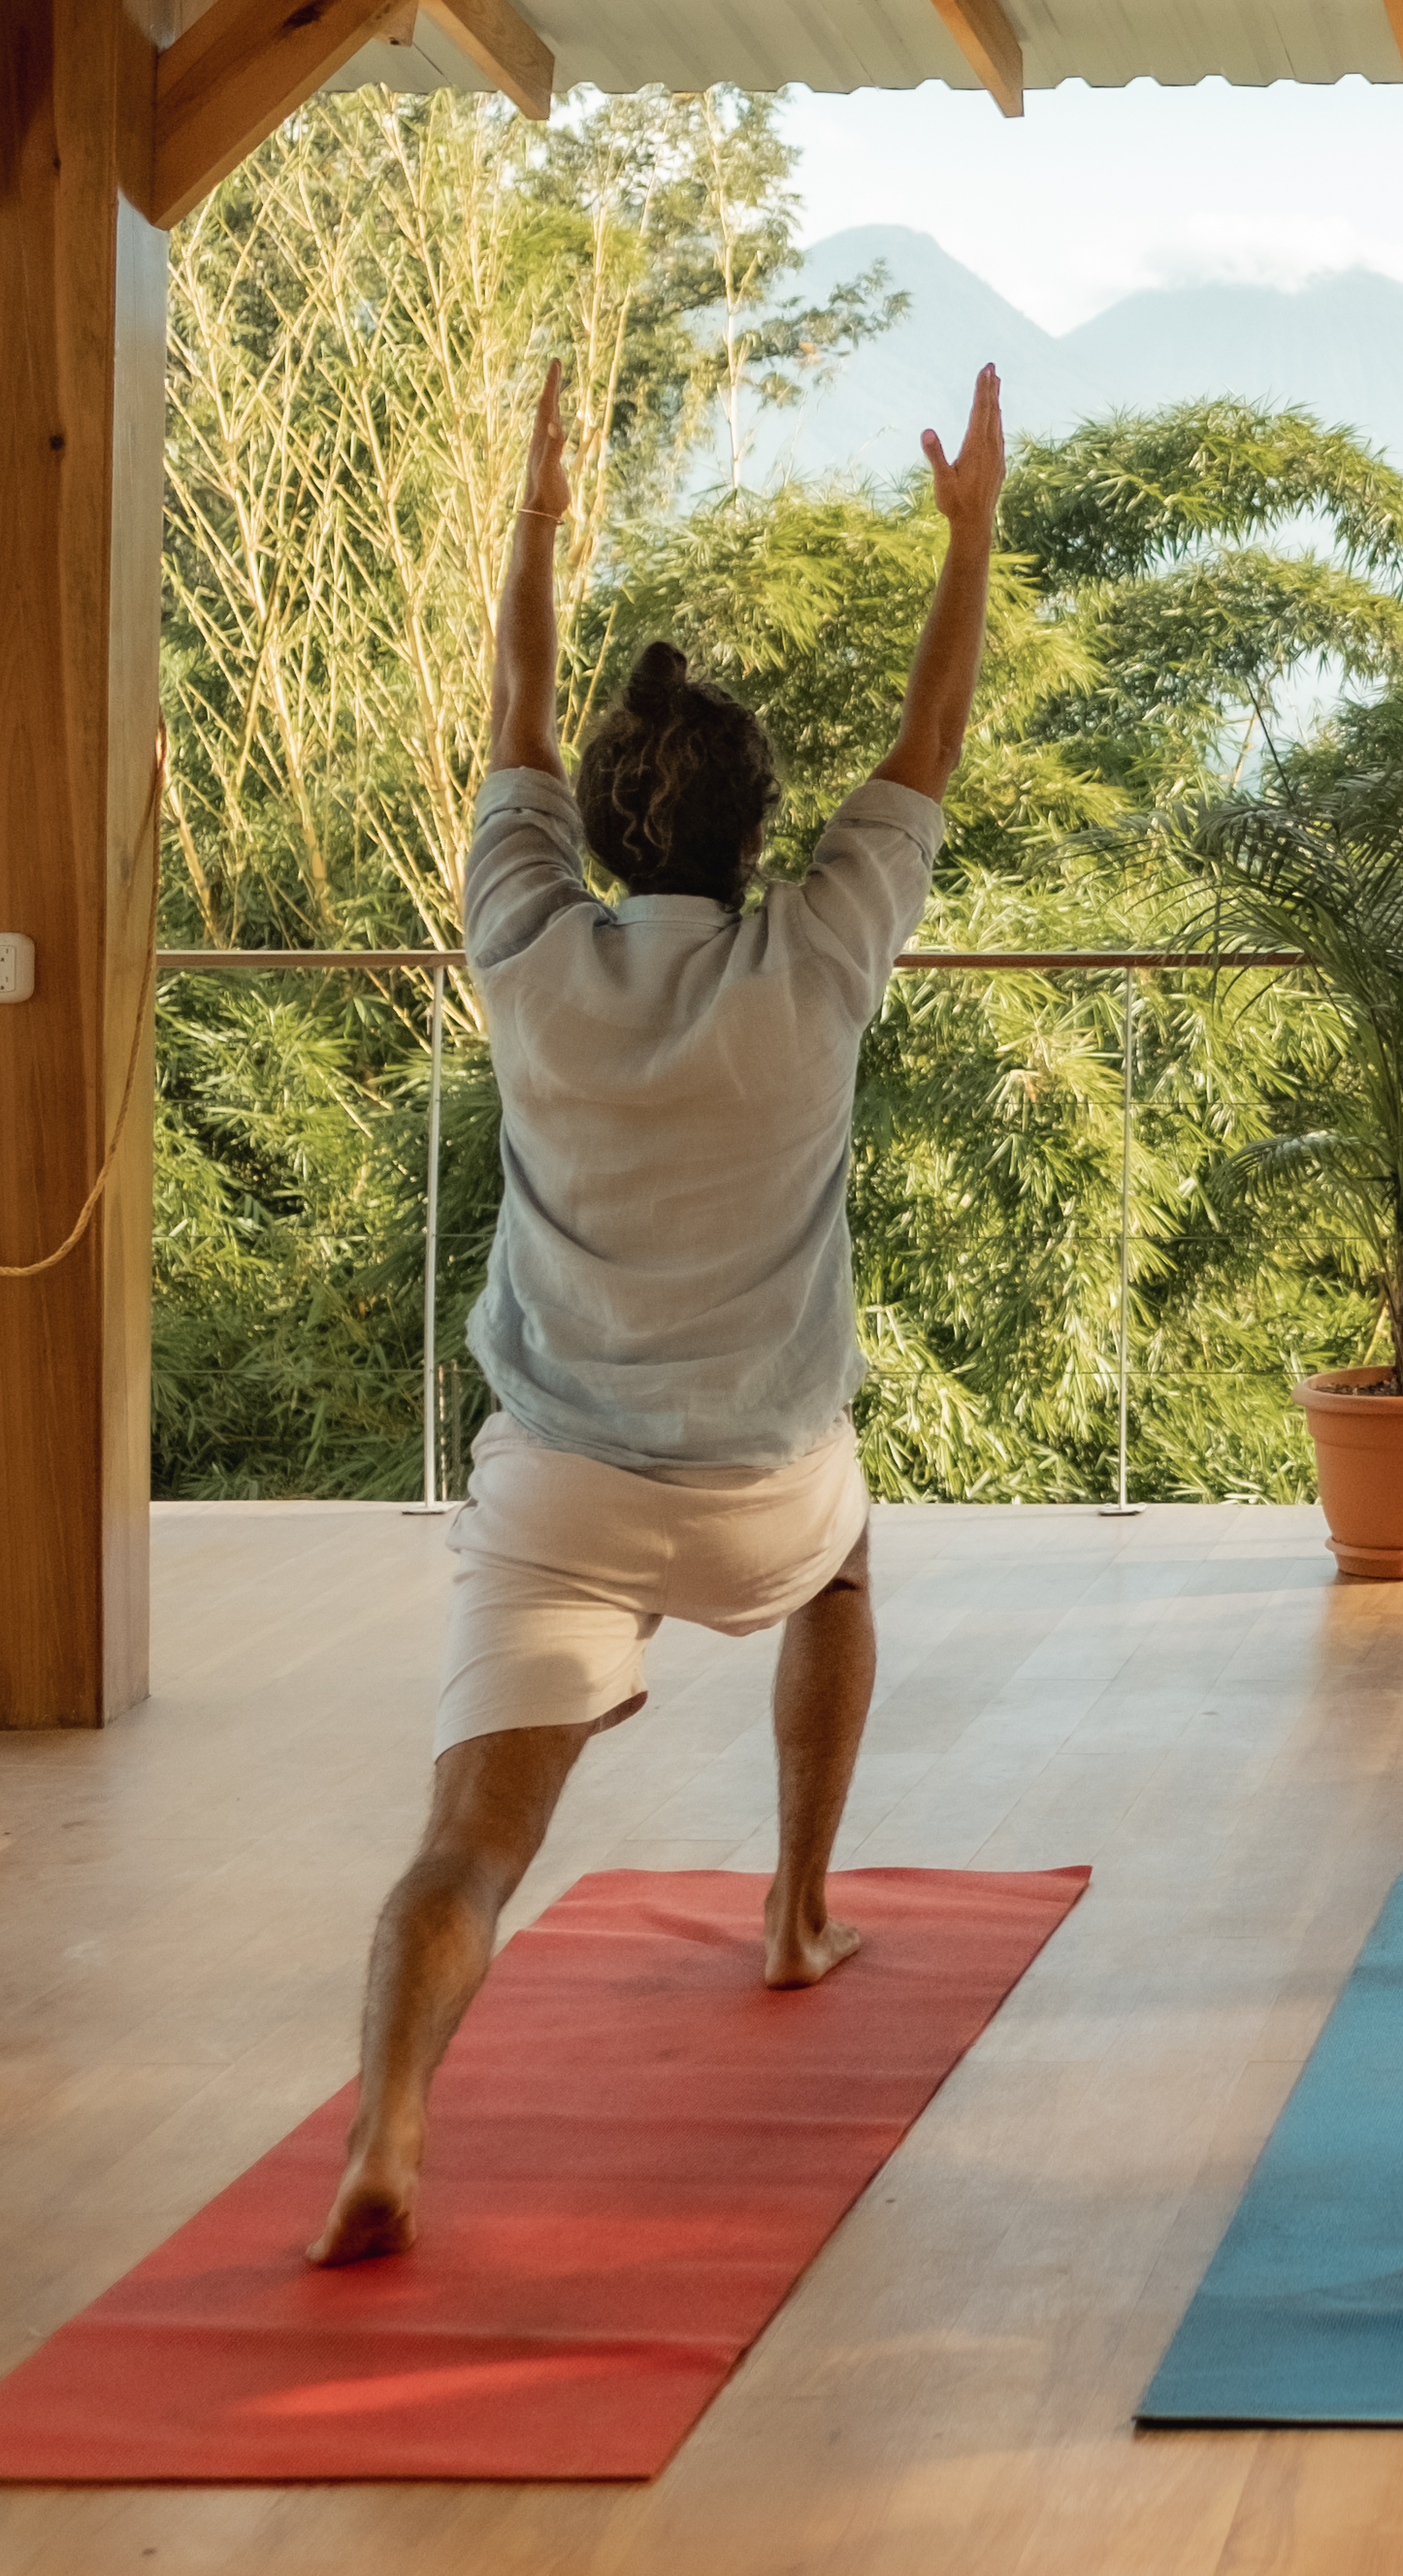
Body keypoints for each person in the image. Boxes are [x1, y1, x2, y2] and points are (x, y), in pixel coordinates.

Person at [310, 357, 999, 2267]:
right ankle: (793, 1909)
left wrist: (534, 529)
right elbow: (934, 735)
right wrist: (969, 536)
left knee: (469, 1849)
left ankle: (388, 2125)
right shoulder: (817, 956)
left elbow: (520, 713)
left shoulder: (529, 949)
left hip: (563, 1486)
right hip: (769, 1475)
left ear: (604, 827)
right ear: (762, 828)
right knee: (846, 1570)